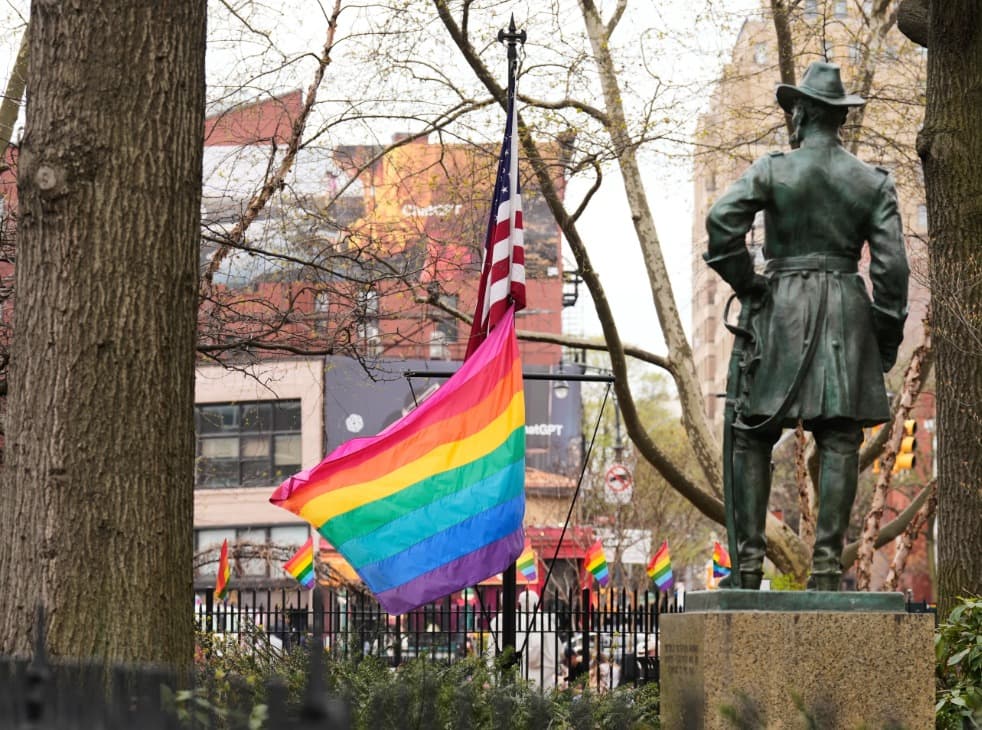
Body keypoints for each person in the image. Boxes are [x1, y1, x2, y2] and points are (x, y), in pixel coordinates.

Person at [705, 61, 909, 591]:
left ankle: (747, 569)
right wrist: (883, 340)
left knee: (752, 434)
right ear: (837, 118)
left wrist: (747, 283)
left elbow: (721, 222)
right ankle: (824, 570)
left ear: (802, 114)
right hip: (845, 307)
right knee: (840, 438)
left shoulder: (774, 170)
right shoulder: (872, 182)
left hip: (781, 306)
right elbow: (892, 271)